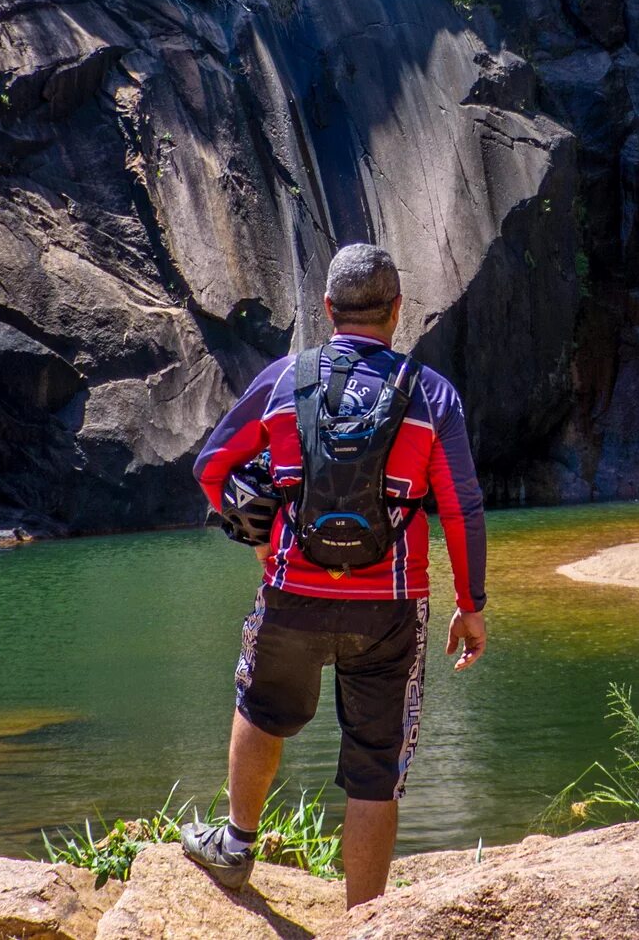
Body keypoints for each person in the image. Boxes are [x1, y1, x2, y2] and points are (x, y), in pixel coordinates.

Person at [180, 243, 489, 908]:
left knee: (260, 707)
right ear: (398, 310)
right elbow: (461, 505)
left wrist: (259, 540)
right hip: (393, 607)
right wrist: (472, 602)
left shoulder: (285, 378)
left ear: (326, 309)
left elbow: (211, 466)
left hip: (294, 590)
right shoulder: (432, 394)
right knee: (377, 767)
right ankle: (363, 919)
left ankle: (235, 846)